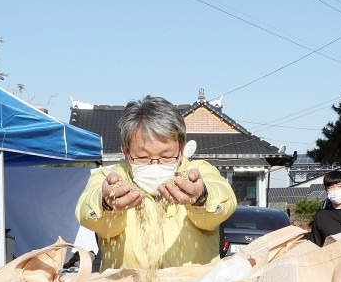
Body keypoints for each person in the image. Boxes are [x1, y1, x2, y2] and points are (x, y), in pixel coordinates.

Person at [75, 95, 237, 271]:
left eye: (166, 156)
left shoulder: (197, 172)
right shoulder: (111, 176)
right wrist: (106, 203)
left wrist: (202, 197)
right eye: (143, 157)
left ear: (181, 147)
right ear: (125, 150)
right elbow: (86, 211)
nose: (155, 164)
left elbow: (224, 198)